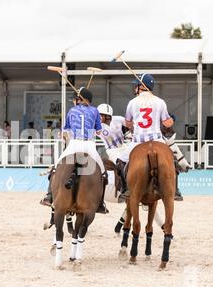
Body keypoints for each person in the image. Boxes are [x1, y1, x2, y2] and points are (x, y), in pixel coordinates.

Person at [40, 87, 108, 213]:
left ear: (82, 99)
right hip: (89, 146)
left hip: (74, 144)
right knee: (103, 173)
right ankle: (101, 203)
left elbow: (66, 130)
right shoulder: (95, 111)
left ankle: (49, 196)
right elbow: (98, 131)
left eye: (77, 98)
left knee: (55, 168)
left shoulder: (72, 111)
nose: (75, 101)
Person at [117, 73, 182, 202]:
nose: (134, 88)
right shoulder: (160, 102)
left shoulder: (132, 102)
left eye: (136, 85)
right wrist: (172, 118)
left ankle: (125, 190)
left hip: (137, 141)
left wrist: (133, 127)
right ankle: (175, 190)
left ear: (141, 86)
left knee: (120, 162)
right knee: (174, 161)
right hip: (157, 139)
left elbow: (128, 123)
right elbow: (167, 123)